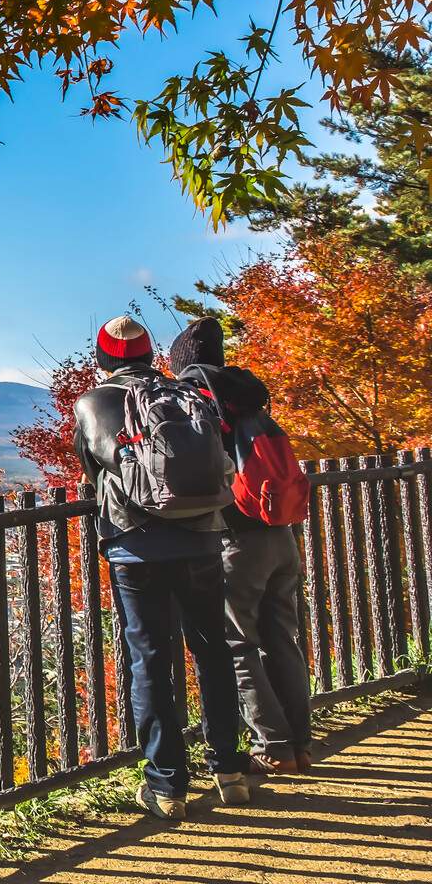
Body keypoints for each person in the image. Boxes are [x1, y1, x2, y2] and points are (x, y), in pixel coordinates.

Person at [74, 315, 250, 818]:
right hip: (201, 538)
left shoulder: (95, 403)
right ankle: (229, 769)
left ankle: (167, 783)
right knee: (212, 649)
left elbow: (93, 467)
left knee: (149, 658)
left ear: (104, 358)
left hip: (137, 548)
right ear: (151, 355)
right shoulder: (189, 395)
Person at [169, 316, 314, 775]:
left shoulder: (199, 400)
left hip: (237, 537)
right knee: (281, 638)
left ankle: (272, 746)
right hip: (281, 533)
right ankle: (301, 744)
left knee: (238, 643)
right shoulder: (250, 395)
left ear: (183, 364)